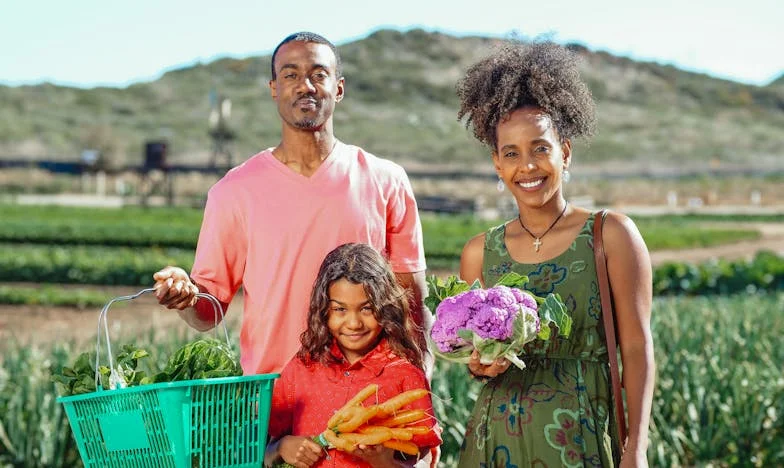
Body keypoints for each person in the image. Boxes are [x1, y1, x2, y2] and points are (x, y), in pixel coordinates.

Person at [152, 31, 429, 376]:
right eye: (291, 75)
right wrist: (188, 297)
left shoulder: (386, 180)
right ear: (274, 89)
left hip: (366, 399)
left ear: (338, 88)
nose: (305, 86)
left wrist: (419, 385)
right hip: (273, 399)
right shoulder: (234, 191)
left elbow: (412, 305)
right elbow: (209, 313)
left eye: (318, 74)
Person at [454, 41, 655, 467]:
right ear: (497, 164)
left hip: (583, 437)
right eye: (511, 153)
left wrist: (636, 448)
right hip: (496, 440)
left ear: (564, 152)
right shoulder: (479, 253)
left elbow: (637, 348)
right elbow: (475, 358)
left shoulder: (610, 234)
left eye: (540, 148)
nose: (527, 166)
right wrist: (480, 363)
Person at [263, 243, 442, 468]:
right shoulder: (303, 367)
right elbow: (263, 446)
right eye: (340, 309)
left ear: (385, 308)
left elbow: (426, 459)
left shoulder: (405, 376)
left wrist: (384, 462)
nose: (354, 323)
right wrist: (280, 448)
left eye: (367, 309)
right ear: (323, 310)